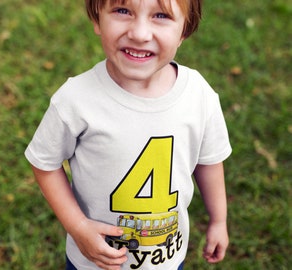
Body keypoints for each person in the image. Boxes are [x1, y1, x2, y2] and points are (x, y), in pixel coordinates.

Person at [24, 0, 232, 269]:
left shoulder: (198, 96)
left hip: (167, 260)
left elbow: (210, 161)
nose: (140, 33)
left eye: (161, 16)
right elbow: (44, 163)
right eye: (123, 11)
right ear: (97, 19)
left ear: (184, 31)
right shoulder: (76, 100)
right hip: (93, 262)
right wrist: (78, 227)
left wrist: (218, 220)